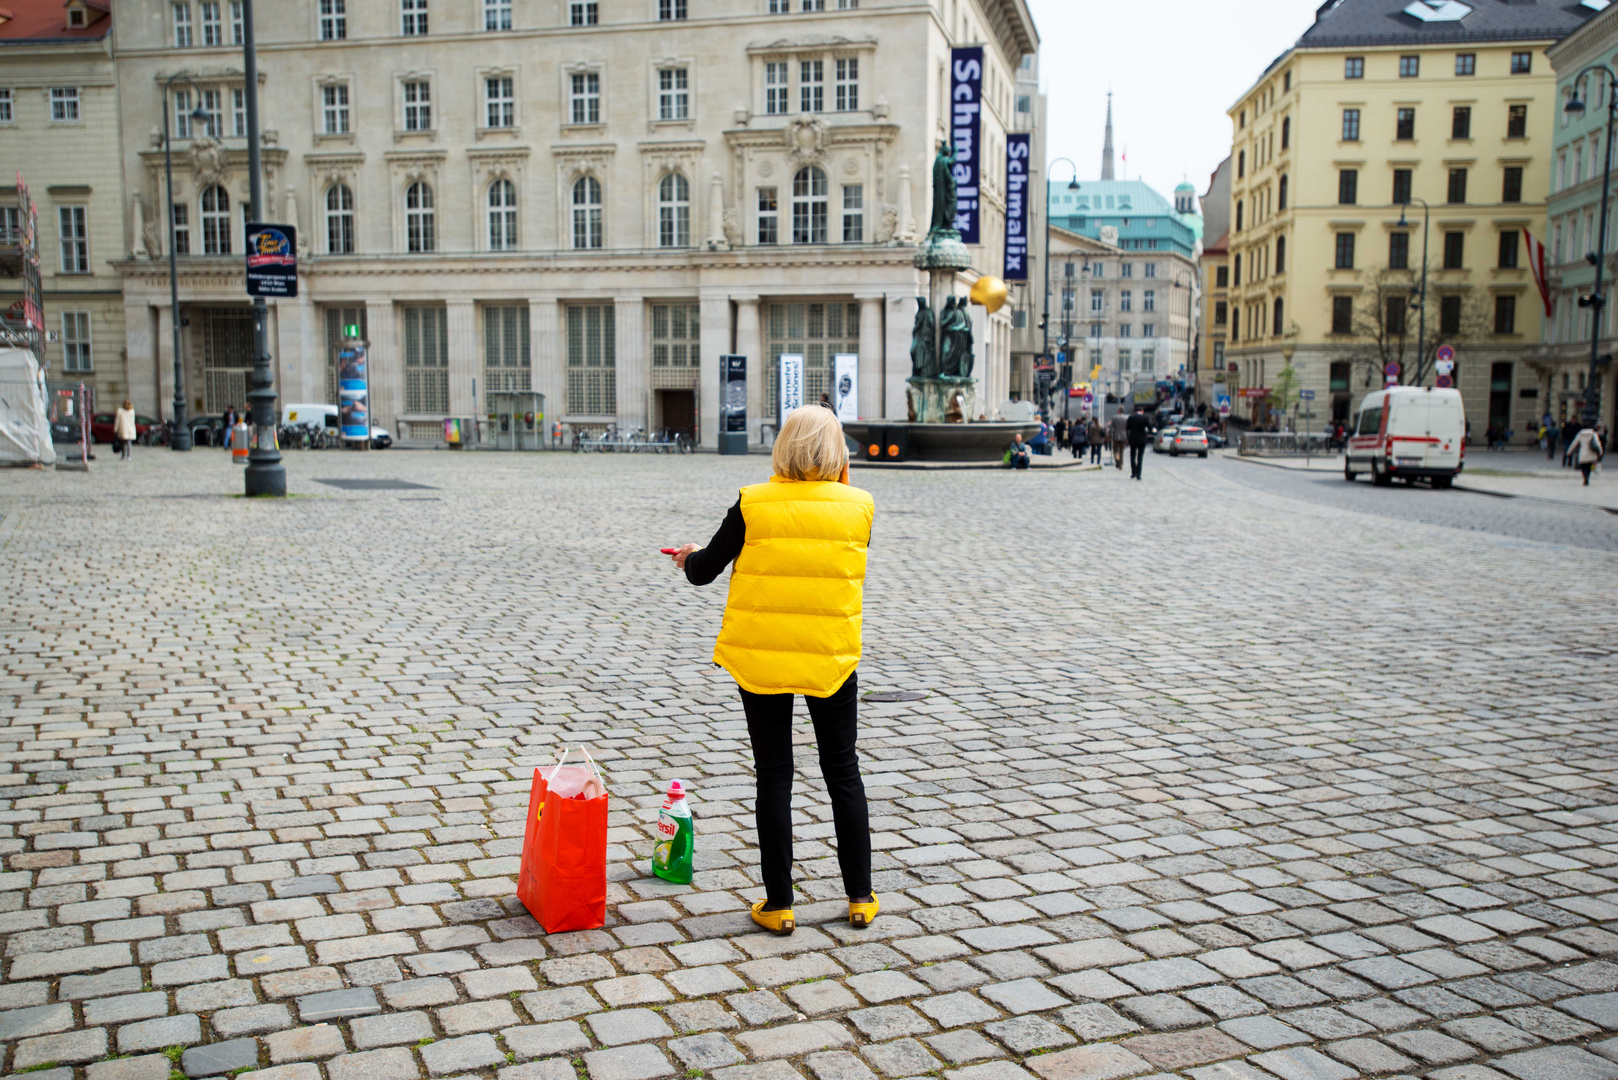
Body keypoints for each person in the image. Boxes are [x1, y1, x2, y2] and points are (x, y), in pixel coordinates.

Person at [668, 406, 877, 936]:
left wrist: (688, 556)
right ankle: (859, 897)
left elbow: (705, 570)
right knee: (843, 771)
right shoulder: (860, 507)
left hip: (762, 656)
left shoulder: (753, 503)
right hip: (829, 654)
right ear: (838, 452)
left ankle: (780, 904)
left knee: (775, 775)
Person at [1126, 404, 1152, 480]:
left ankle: (1133, 472)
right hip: (1142, 440)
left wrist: (1127, 438)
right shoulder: (1145, 418)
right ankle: (1139, 475)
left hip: (1133, 439)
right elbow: (1150, 428)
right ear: (1142, 411)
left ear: (1135, 412)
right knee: (1140, 457)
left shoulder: (1131, 418)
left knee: (1132, 456)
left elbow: (1127, 428)